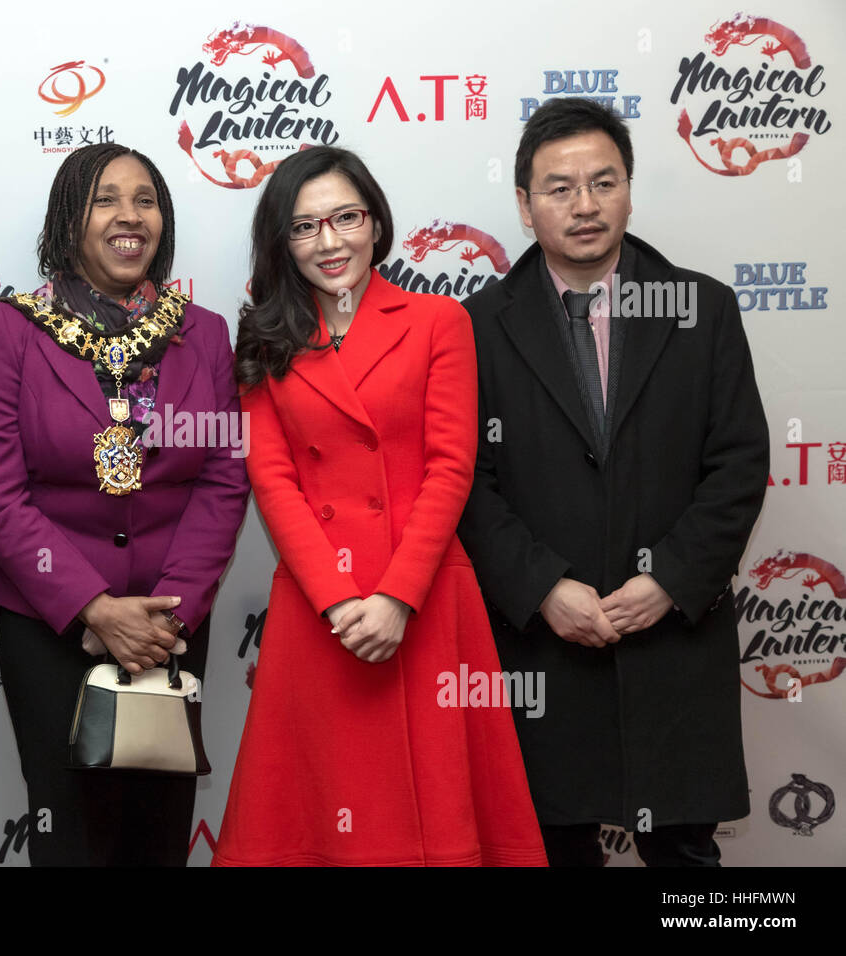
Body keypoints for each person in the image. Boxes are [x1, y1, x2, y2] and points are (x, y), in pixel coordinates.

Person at [214, 146, 547, 866]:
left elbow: (451, 466)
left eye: (345, 218)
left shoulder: (437, 321)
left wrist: (398, 596)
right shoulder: (266, 338)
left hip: (423, 599)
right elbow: (273, 482)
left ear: (375, 222)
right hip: (319, 607)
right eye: (305, 227)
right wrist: (338, 602)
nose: (329, 242)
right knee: (312, 819)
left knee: (434, 817)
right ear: (281, 240)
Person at [457, 98, 769, 866]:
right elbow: (465, 481)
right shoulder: (473, 327)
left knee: (687, 864)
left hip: (673, 643)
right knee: (550, 850)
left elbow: (739, 463)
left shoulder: (704, 308)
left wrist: (671, 578)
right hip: (545, 654)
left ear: (630, 190)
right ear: (525, 206)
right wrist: (540, 587)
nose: (585, 205)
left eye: (603, 181)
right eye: (559, 188)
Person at [0, 143, 249, 866]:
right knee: (69, 830)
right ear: (70, 220)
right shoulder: (14, 330)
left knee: (157, 827)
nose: (130, 216)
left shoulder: (203, 332)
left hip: (169, 626)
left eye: (146, 199)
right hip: (52, 624)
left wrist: (169, 612)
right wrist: (93, 607)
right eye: (106, 199)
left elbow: (221, 480)